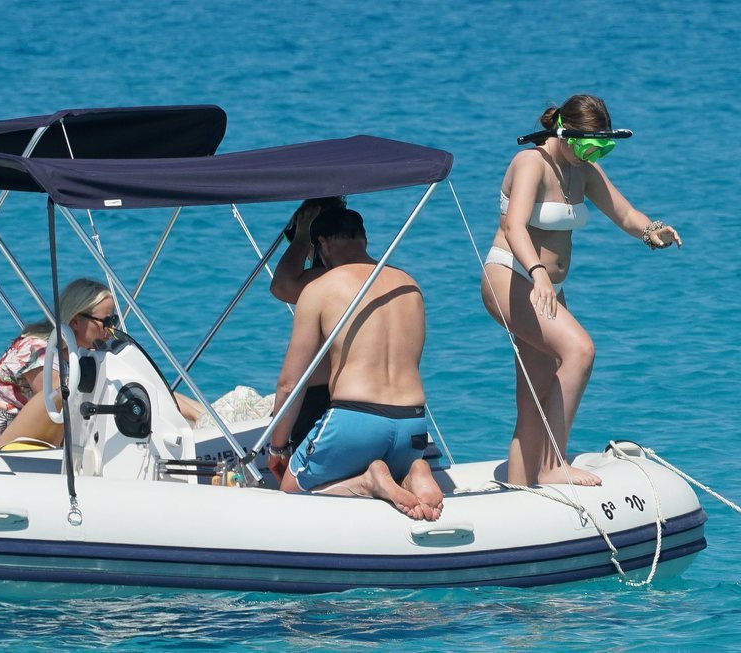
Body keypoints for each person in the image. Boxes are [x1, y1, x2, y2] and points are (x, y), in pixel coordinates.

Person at [481, 94, 682, 487]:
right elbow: (513, 227)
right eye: (589, 144)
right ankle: (555, 465)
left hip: (548, 287)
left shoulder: (583, 169)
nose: (595, 153)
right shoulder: (530, 163)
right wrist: (537, 271)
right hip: (512, 275)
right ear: (563, 132)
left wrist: (650, 232)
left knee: (534, 397)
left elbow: (624, 213)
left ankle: (519, 492)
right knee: (580, 350)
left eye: (603, 146)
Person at [266, 207, 443, 521]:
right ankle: (414, 470)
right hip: (412, 426)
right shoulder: (409, 285)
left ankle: (367, 482)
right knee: (390, 460)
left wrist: (278, 448)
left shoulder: (319, 288)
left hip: (355, 419)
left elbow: (290, 384)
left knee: (291, 490)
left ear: (322, 245)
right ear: (363, 239)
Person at [0, 278, 204, 450]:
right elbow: (57, 404)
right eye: (105, 321)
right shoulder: (35, 348)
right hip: (0, 443)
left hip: (50, 440)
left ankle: (207, 417)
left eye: (113, 321)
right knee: (66, 391)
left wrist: (195, 413)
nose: (109, 329)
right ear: (76, 321)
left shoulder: (79, 355)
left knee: (128, 382)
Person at [269, 195, 346, 450]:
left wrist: (301, 237)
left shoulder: (323, 281)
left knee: (302, 484)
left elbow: (281, 285)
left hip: (320, 396)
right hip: (370, 400)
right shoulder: (373, 276)